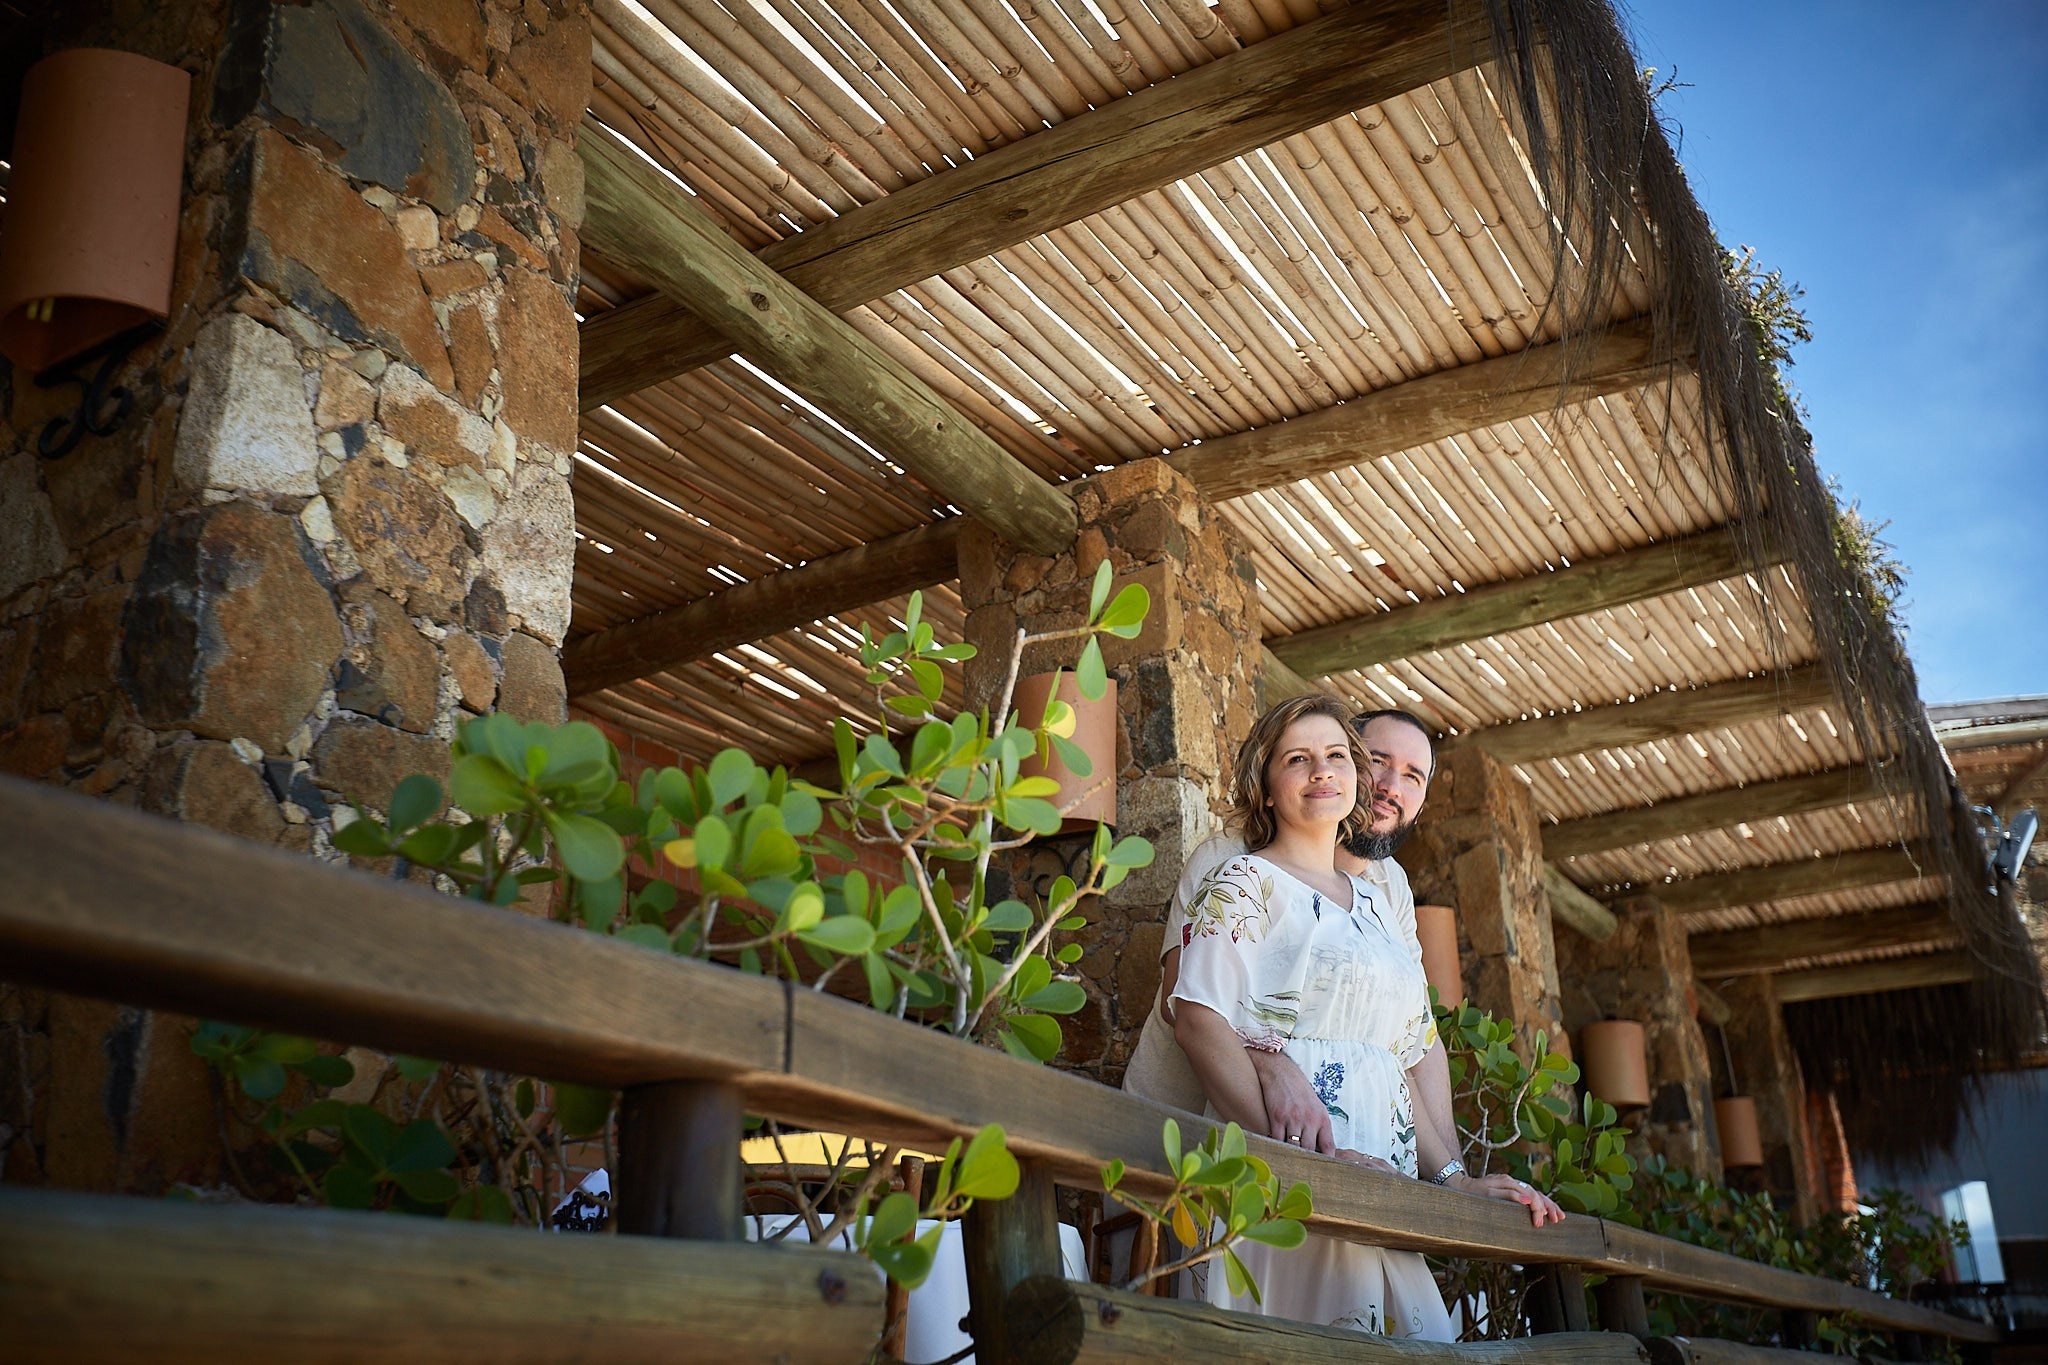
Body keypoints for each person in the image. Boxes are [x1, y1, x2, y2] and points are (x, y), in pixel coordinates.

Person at [1143, 698, 1561, 1337]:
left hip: (1382, 1182)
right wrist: (1299, 1148)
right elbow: (1197, 1010)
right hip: (1271, 1163)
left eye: (1336, 757)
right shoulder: (1236, 871)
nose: (1326, 773)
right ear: (1267, 782)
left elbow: (1408, 1051)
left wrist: (1449, 1180)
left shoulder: (1382, 897)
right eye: (1300, 759)